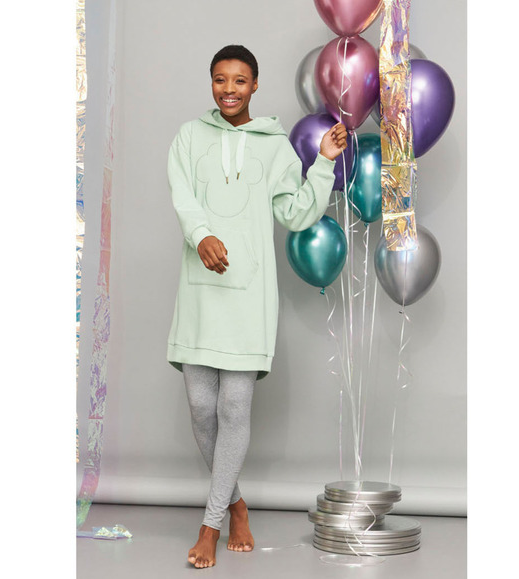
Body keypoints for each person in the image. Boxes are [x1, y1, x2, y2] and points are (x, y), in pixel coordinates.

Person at [167, 44, 347, 569]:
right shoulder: (189, 137)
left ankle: (210, 525)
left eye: (240, 80)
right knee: (201, 408)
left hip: (249, 295)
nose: (229, 89)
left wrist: (323, 163)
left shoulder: (274, 147)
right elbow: (183, 197)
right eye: (220, 79)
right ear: (211, 82)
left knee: (233, 409)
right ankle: (236, 503)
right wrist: (201, 235)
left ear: (255, 85)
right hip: (200, 290)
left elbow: (295, 214)